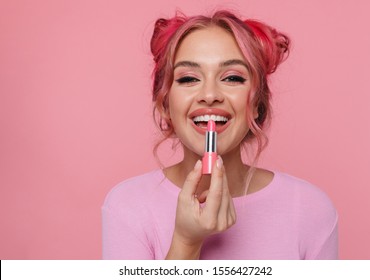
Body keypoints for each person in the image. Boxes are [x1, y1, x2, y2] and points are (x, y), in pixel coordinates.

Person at [102, 10, 338, 260]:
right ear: (165, 104)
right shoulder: (126, 206)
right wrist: (186, 242)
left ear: (257, 103)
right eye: (189, 78)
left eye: (233, 77)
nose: (210, 94)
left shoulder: (311, 209)